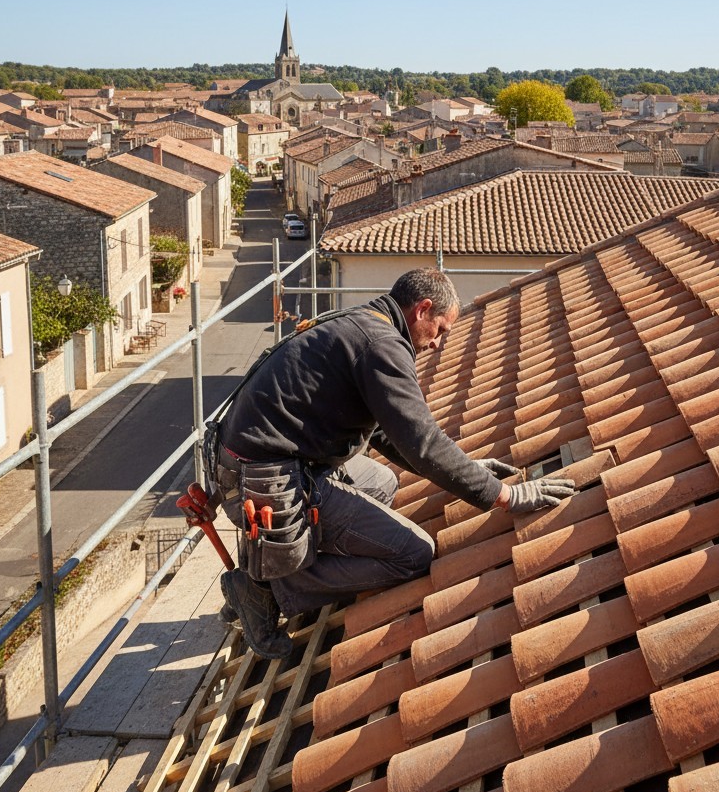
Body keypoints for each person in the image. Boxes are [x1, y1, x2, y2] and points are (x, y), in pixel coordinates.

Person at [213, 267, 576, 658]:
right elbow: (423, 443)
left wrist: (470, 470)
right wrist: (506, 496)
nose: (438, 344)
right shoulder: (381, 345)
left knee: (382, 482)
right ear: (421, 310)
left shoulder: (365, 324)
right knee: (414, 554)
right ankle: (267, 589)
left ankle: (301, 558)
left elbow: (391, 434)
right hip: (265, 483)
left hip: (269, 462)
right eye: (440, 330)